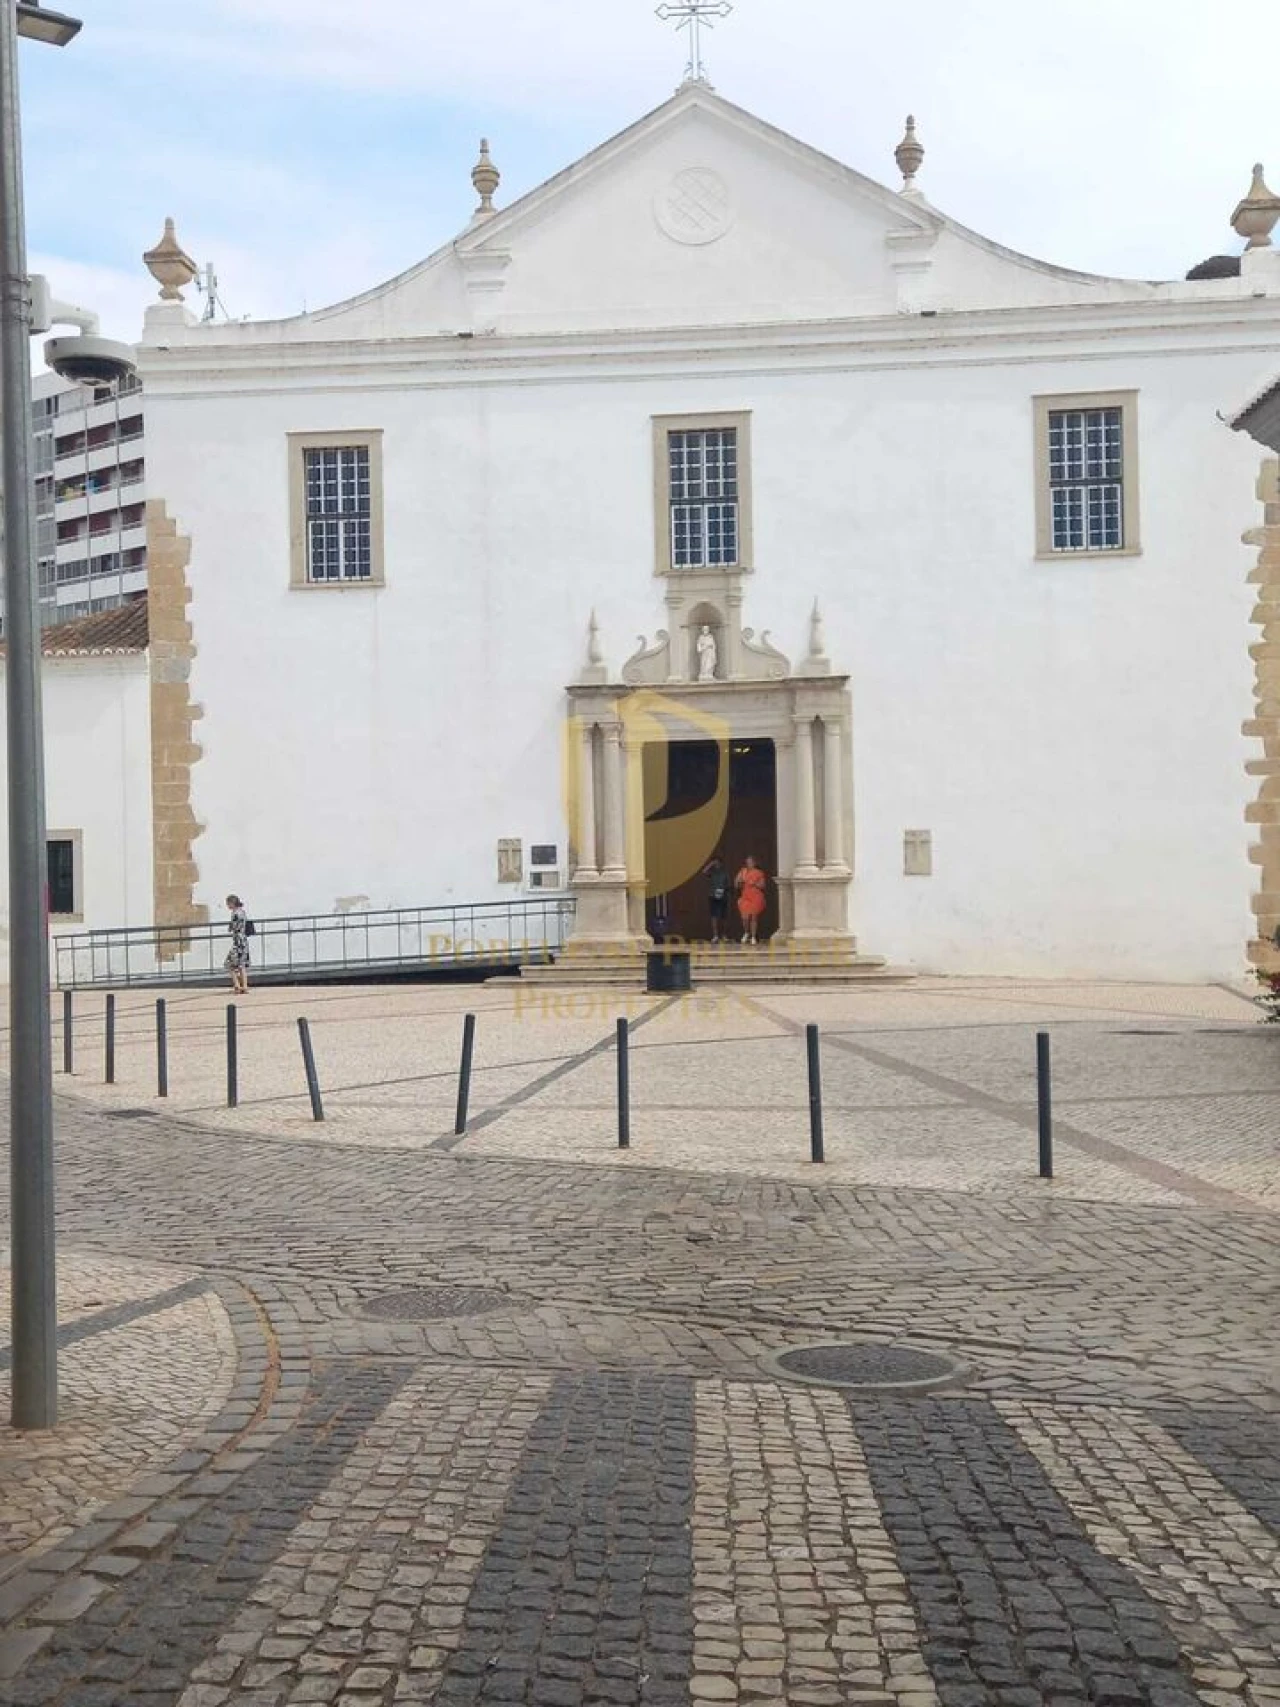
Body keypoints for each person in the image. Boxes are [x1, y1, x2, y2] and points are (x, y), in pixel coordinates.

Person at [735, 855, 768, 945]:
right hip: (745, 897)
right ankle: (746, 932)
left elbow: (762, 885)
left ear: (754, 863)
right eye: (747, 862)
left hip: (756, 897)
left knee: (754, 917)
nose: (748, 864)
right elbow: (736, 885)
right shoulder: (743, 871)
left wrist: (754, 883)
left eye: (750, 862)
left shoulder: (759, 872)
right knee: (745, 917)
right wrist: (739, 881)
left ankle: (753, 937)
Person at [225, 893, 251, 994]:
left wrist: (231, 926)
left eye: (228, 904)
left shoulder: (235, 913)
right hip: (244, 940)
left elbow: (234, 927)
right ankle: (244, 986)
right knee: (241, 965)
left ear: (232, 903)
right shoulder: (243, 912)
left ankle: (237, 986)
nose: (227, 906)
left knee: (229, 964)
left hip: (238, 942)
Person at [703, 854, 730, 942]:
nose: (717, 864)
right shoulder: (712, 872)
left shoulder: (724, 872)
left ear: (721, 863)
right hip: (712, 895)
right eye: (715, 862)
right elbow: (704, 872)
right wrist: (711, 864)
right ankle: (715, 935)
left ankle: (724, 935)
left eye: (718, 862)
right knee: (714, 916)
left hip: (723, 895)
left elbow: (728, 885)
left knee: (724, 916)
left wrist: (724, 891)